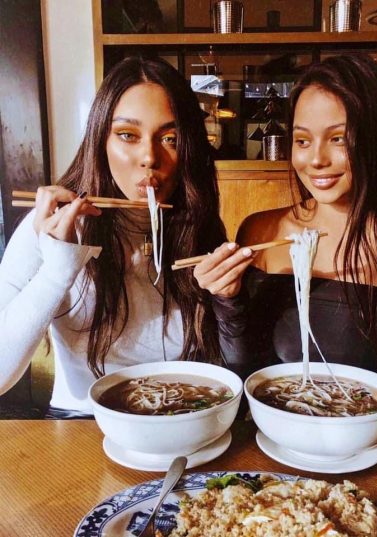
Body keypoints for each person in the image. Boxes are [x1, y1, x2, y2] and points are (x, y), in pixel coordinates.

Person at [194, 53, 377, 418]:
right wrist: (226, 299)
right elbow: (243, 371)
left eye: (338, 139)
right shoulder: (261, 231)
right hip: (267, 433)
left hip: (358, 442)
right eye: (302, 140)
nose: (315, 159)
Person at [0, 56, 253, 417]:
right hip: (81, 424)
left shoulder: (196, 228)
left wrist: (229, 301)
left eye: (170, 138)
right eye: (127, 135)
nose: (149, 157)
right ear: (100, 139)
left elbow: (229, 370)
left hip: (178, 419)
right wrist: (58, 267)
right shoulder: (53, 225)